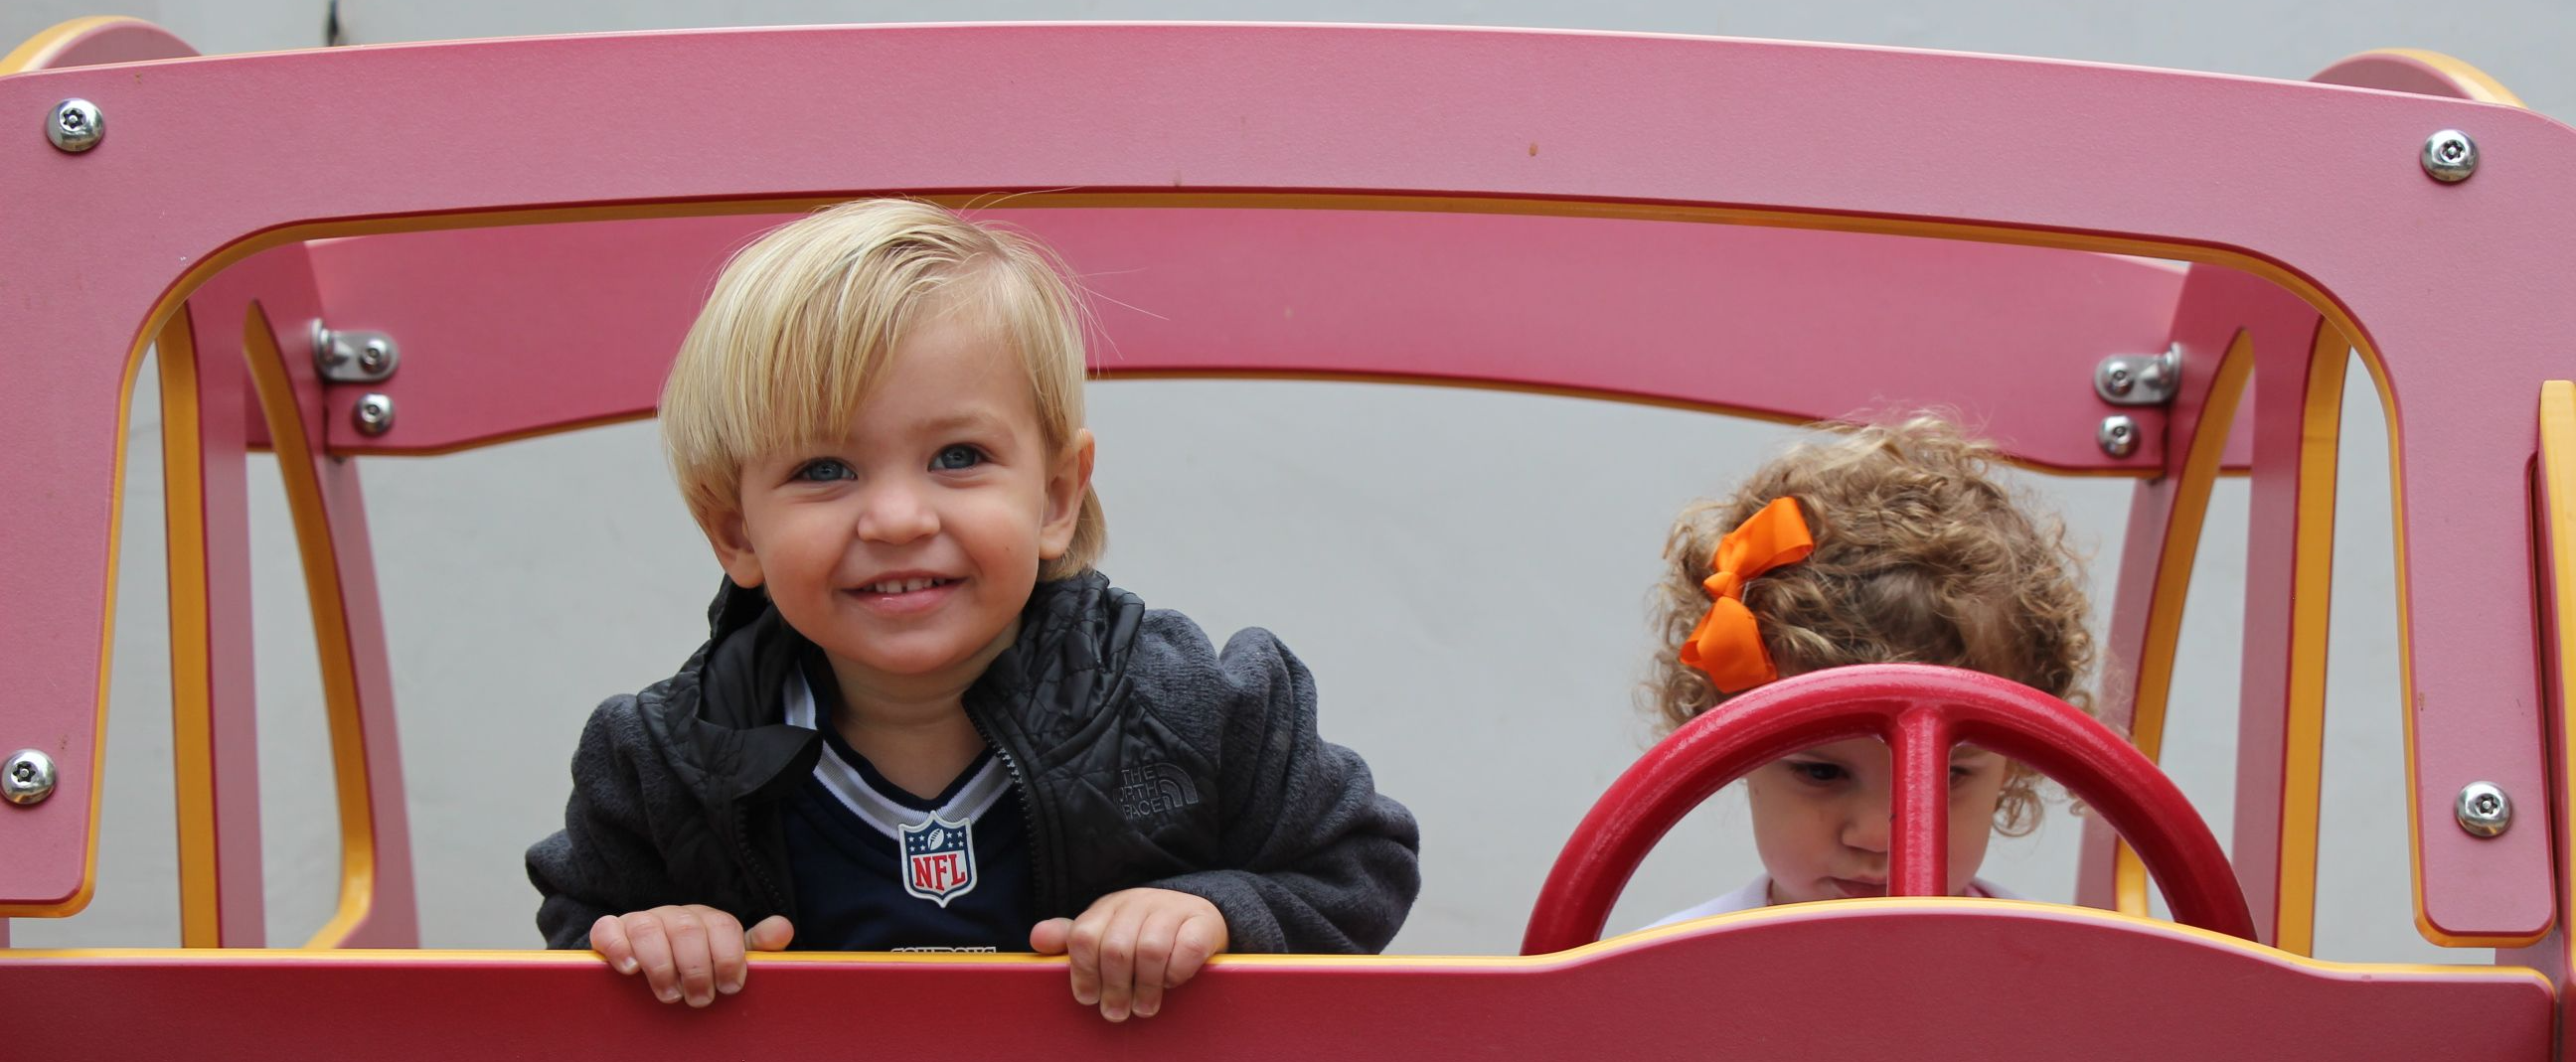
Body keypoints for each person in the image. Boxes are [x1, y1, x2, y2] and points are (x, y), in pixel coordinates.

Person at [526, 199, 1420, 1020]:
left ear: (1056, 497)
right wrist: (651, 940)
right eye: (825, 470)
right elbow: (581, 928)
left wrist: (1216, 911)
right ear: (737, 534)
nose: (899, 519)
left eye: (957, 455)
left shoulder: (1196, 709)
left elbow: (1361, 865)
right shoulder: (664, 764)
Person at [1642, 417, 2094, 924]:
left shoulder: (2064, 977)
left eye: (1947, 776)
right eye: (1822, 772)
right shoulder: (1660, 978)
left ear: (2017, 764)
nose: (1880, 836)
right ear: (1733, 750)